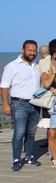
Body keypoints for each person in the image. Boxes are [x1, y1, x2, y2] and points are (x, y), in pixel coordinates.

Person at [1, 40, 42, 171]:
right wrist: (6, 104)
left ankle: (29, 156)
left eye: (34, 50)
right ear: (23, 50)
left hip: (35, 103)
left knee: (31, 133)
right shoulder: (12, 66)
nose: (32, 53)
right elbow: (4, 87)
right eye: (29, 50)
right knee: (19, 133)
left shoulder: (36, 65)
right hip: (19, 103)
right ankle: (17, 159)